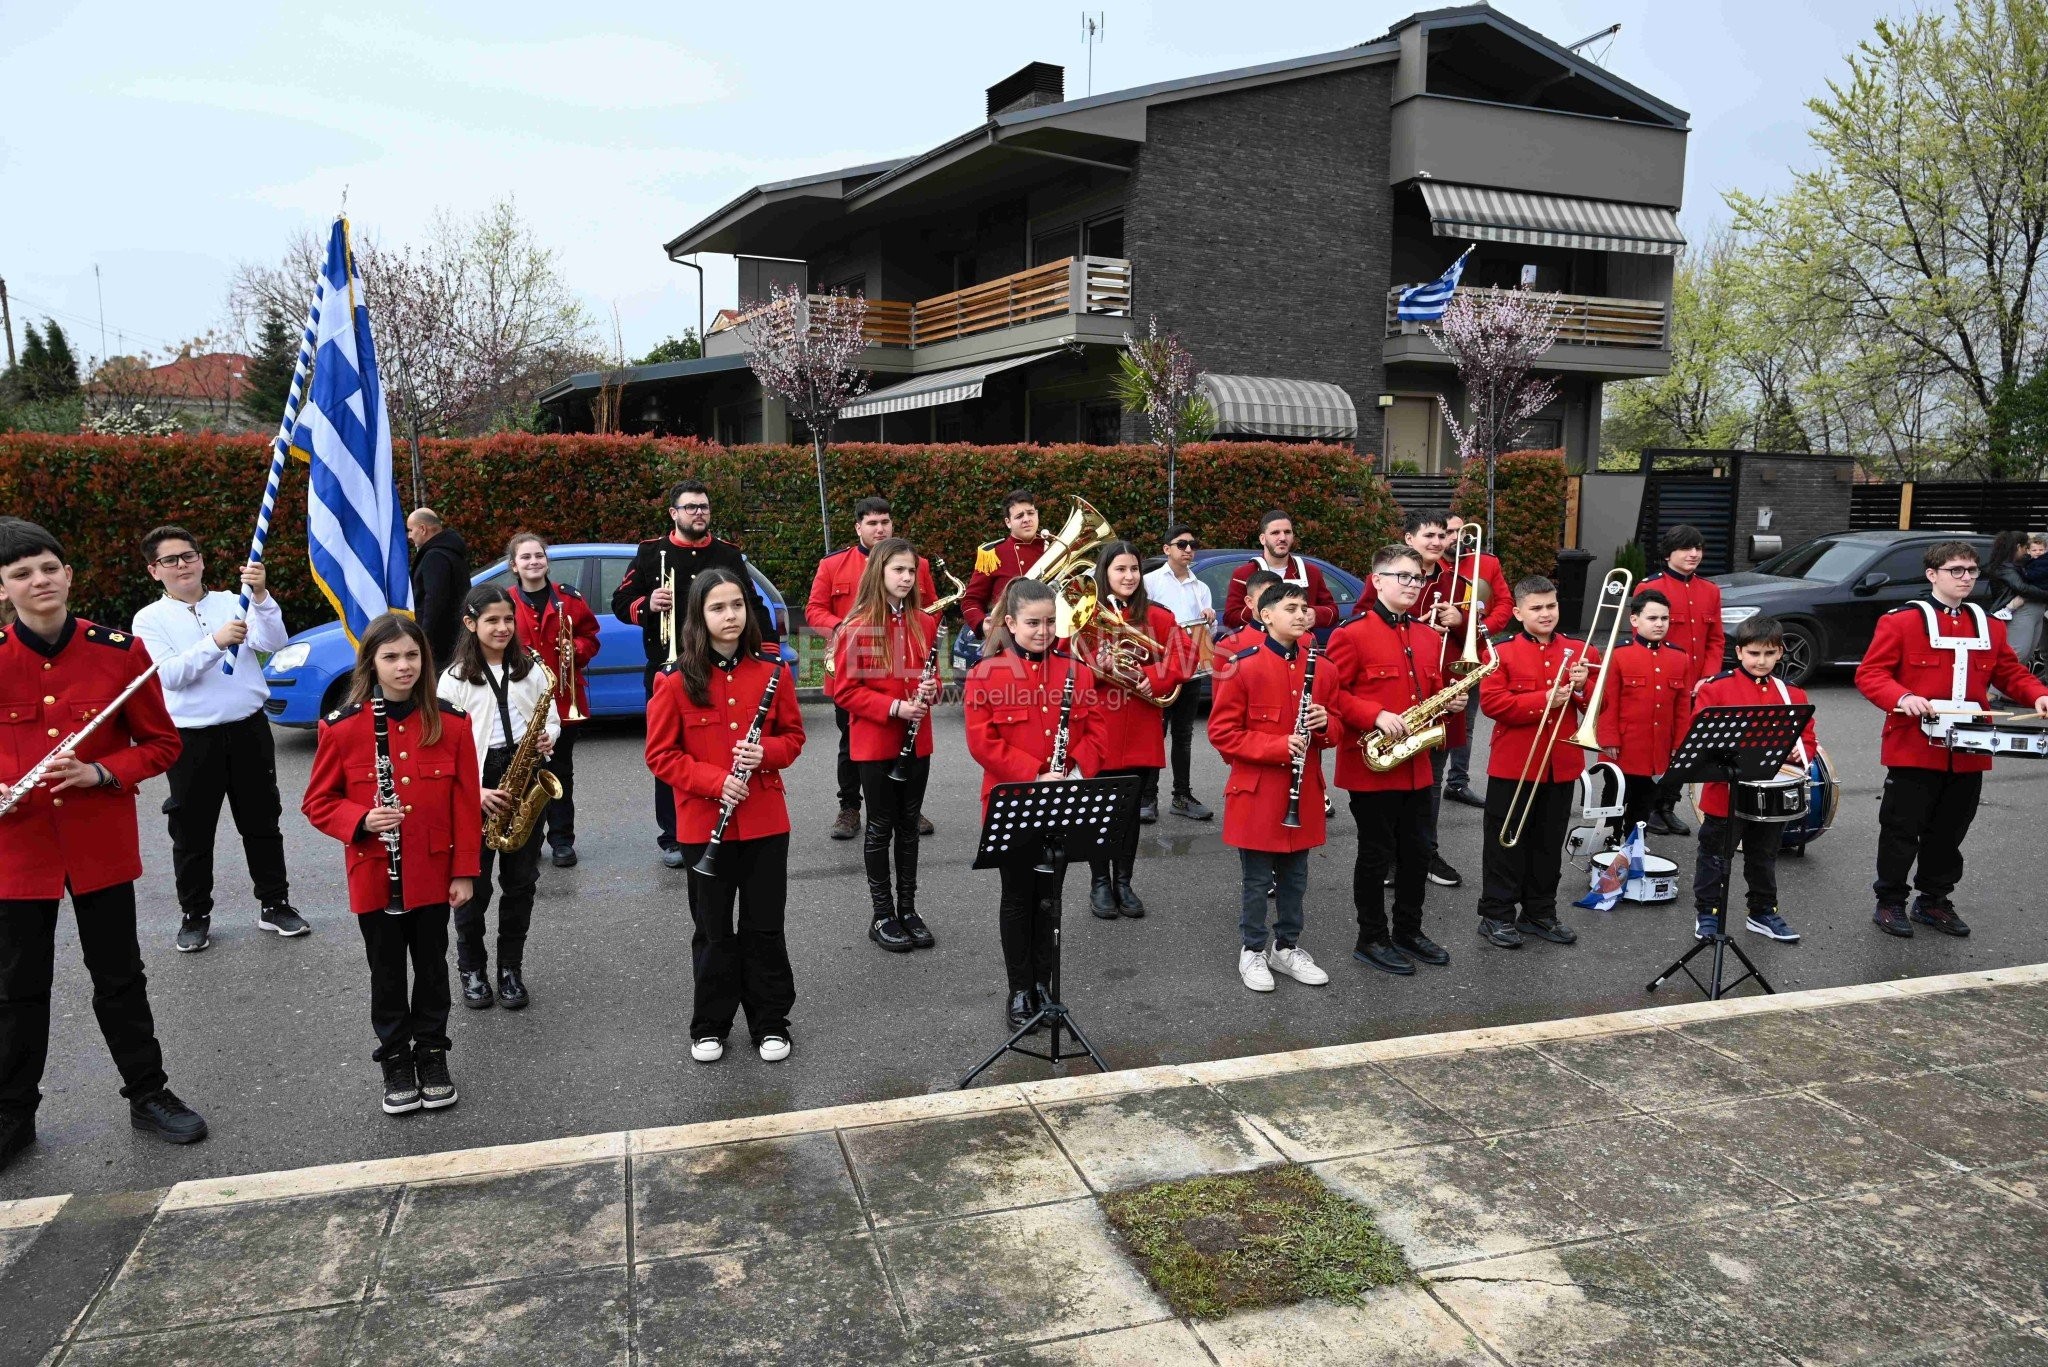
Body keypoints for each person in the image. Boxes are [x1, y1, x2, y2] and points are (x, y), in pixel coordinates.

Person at [0, 518, 207, 1171]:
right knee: (16, 987)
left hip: (97, 841)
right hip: (18, 848)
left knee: (119, 977)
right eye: (21, 572)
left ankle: (148, 1094)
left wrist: (101, 771)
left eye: (47, 567)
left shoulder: (118, 651)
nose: (38, 580)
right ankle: (13, 1112)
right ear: (4, 587)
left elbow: (164, 743)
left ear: (67, 573)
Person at [303, 613, 479, 1116]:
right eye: (391, 657)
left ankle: (432, 1053)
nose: (403, 666)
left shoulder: (452, 724)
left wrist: (465, 870)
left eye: (412, 655)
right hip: (375, 873)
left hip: (433, 871)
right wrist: (361, 818)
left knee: (431, 969)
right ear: (372, 663)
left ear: (425, 660)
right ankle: (395, 1059)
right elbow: (318, 803)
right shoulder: (343, 728)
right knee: (385, 973)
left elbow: (466, 806)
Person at [647, 568, 805, 1064]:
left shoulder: (772, 672)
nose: (730, 616)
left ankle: (771, 1020)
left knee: (765, 926)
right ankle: (710, 1023)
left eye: (736, 605)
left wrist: (767, 754)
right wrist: (717, 782)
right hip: (702, 826)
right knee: (714, 929)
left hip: (764, 822)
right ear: (699, 615)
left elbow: (794, 738)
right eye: (718, 607)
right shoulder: (674, 681)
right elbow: (661, 756)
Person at [1855, 540, 2048, 939]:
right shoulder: (1901, 621)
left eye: (1972, 571)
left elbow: (2010, 674)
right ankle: (1890, 901)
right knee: (1901, 829)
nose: (1965, 578)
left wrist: (2038, 694)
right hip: (1914, 746)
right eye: (1955, 570)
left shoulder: (1990, 624)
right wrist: (1904, 697)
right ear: (1933, 575)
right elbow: (1871, 675)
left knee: (1950, 831)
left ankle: (1933, 900)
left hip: (1969, 750)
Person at [130, 525, 305, 952]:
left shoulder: (234, 601)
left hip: (248, 729)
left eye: (188, 555)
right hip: (190, 739)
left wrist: (261, 599)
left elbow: (273, 642)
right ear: (155, 571)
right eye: (170, 560)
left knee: (262, 821)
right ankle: (195, 915)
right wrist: (215, 641)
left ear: (202, 560)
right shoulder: (149, 620)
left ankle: (274, 904)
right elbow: (170, 676)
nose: (182, 565)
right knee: (192, 833)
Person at [965, 578, 1104, 1031]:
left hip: (1064, 798)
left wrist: (1077, 770)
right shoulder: (986, 673)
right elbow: (982, 742)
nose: (1043, 631)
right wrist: (1033, 773)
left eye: (1050, 622)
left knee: (1051, 897)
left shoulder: (1077, 671)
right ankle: (1019, 988)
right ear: (1010, 623)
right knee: (1018, 897)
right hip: (1016, 801)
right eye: (1032, 623)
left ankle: (1044, 984)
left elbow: (1097, 732)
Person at [611, 480, 774, 866]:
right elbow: (620, 602)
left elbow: (752, 605)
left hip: (720, 667)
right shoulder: (651, 553)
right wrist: (646, 603)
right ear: (674, 513)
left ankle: (725, 821)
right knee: (670, 752)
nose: (698, 513)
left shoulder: (727, 554)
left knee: (722, 747)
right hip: (669, 670)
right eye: (690, 508)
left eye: (703, 507)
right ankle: (672, 835)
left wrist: (769, 655)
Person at [1324, 545, 1452, 977]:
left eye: (1418, 579)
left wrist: (1448, 705)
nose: (1412, 586)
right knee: (1376, 855)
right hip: (1372, 765)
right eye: (1403, 577)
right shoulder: (1350, 634)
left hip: (1417, 764)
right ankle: (1371, 937)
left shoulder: (1428, 635)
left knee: (1417, 853)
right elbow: (1331, 696)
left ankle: (1408, 932)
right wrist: (1373, 714)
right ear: (1376, 580)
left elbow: (1428, 692)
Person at [439, 587, 559, 1011]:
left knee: (521, 882)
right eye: (492, 620)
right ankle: (471, 968)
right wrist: (474, 791)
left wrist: (549, 737)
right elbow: (440, 749)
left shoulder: (533, 671)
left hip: (523, 776)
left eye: (508, 619)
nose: (503, 627)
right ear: (471, 624)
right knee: (472, 884)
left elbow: (554, 720)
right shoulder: (452, 680)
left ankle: (511, 968)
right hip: (477, 781)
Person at [1210, 580, 1333, 993]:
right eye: (1290, 608)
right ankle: (1252, 949)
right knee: (1258, 880)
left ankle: (1287, 947)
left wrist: (1326, 724)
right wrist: (1277, 745)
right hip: (1259, 792)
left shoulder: (1323, 667)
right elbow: (1222, 733)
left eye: (1304, 607)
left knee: (1296, 879)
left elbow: (1339, 729)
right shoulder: (1243, 665)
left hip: (1305, 793)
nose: (1301, 614)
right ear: (1266, 616)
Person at [832, 538, 941, 954]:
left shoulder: (925, 623)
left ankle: (909, 909)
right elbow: (845, 692)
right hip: (877, 742)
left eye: (911, 571)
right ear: (878, 571)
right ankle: (882, 914)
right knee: (880, 826)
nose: (906, 577)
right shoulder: (857, 626)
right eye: (898, 570)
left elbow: (936, 682)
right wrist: (895, 707)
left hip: (918, 742)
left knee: (909, 825)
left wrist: (930, 691)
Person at [807, 497, 938, 841]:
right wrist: (847, 631)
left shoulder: (917, 563)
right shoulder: (834, 564)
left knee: (903, 738)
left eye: (885, 522)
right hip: (854, 665)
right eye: (872, 523)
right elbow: (814, 610)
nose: (880, 528)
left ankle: (906, 801)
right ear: (858, 527)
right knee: (853, 741)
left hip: (903, 661)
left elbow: (930, 609)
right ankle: (850, 805)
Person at [1078, 540, 1192, 917]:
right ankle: (1099, 883)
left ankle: (1124, 882)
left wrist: (1151, 677)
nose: (1128, 576)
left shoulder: (1158, 616)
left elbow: (1187, 657)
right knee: (1098, 811)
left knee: (1128, 813)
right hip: (1098, 728)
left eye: (1134, 569)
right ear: (1104, 574)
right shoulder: (1085, 616)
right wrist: (1099, 664)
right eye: (1120, 569)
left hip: (1142, 727)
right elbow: (1065, 663)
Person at [1476, 576, 1590, 949]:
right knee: (1505, 844)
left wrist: (1585, 687)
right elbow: (1494, 705)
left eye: (1551, 606)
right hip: (1515, 763)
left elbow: (1597, 708)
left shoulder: (1579, 649)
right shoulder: (1500, 652)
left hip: (1561, 762)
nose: (1546, 613)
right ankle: (1496, 915)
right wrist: (1546, 699)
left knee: (1547, 842)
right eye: (1537, 608)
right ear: (1518, 612)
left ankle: (1540, 912)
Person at [1688, 616, 1814, 944]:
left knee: (1764, 854)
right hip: (1725, 792)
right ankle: (1708, 913)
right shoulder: (1717, 688)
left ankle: (1762, 912)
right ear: (1740, 652)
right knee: (1716, 853)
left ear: (1780, 653)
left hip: (1769, 792)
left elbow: (1807, 735)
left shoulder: (1792, 694)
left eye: (1769, 654)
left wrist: (1803, 752)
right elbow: (1700, 737)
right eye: (1754, 654)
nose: (1761, 661)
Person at [506, 533, 598, 868]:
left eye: (538, 556)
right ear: (514, 565)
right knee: (522, 774)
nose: (533, 562)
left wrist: (577, 649)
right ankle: (527, 838)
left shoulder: (568, 599)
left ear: (546, 560)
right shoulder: (504, 602)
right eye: (525, 557)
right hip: (519, 704)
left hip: (562, 701)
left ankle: (561, 840)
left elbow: (591, 638)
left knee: (559, 773)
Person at [1640, 526, 1721, 841]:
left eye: (1698, 548)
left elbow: (1714, 640)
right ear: (1668, 553)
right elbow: (1644, 638)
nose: (1694, 554)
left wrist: (1708, 677)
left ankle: (1667, 806)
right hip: (1661, 686)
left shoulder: (1710, 591)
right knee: (1654, 748)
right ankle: (1646, 808)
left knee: (1686, 750)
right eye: (1687, 548)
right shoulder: (1650, 587)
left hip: (1698, 687)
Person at [1595, 590, 1693, 838]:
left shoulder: (1679, 657)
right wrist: (1608, 738)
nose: (1660, 624)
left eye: (1664, 618)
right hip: (1624, 745)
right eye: (1652, 618)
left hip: (1656, 747)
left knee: (1644, 803)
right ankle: (1608, 846)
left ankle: (1634, 847)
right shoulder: (1618, 654)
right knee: (1614, 800)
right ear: (1635, 619)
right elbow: (1608, 701)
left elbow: (1682, 706)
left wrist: (1679, 743)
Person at [1142, 524, 1216, 821]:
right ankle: (1147, 798)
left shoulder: (1202, 588)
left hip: (1191, 670)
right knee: (1154, 734)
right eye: (1181, 544)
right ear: (1166, 549)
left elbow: (1206, 635)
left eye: (1192, 544)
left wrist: (1210, 621)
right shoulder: (1149, 581)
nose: (1188, 549)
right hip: (1161, 668)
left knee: (1184, 735)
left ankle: (1181, 796)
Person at [1439, 512, 1512, 810]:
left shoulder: (1488, 563)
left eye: (1460, 531)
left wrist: (1482, 629)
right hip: (1439, 651)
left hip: (1474, 651)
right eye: (1448, 533)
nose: (1456, 537)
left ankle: (1457, 782)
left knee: (1466, 722)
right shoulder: (1430, 565)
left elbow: (1506, 603)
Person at [1222, 510, 1338, 631]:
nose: (1282, 538)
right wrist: (1260, 609)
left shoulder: (1311, 572)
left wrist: (1315, 613)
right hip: (1258, 645)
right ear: (1262, 538)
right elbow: (1230, 618)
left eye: (1287, 532)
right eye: (1275, 533)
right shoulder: (1243, 574)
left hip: (1300, 646)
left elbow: (1333, 611)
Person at [960, 489, 1048, 638]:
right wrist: (982, 625)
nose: (1026, 519)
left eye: (1030, 513)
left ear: (1037, 514)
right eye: (1019, 516)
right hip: (1009, 639)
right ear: (1008, 522)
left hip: (1052, 637)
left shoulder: (1054, 548)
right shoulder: (993, 555)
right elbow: (971, 600)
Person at [406, 508, 471, 673]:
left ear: (422, 529)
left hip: (438, 646)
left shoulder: (434, 557)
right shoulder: (452, 552)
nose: (409, 536)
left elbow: (434, 601)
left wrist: (423, 638)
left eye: (411, 530)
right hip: (455, 639)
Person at [1987, 530, 2048, 685]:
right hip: (2021, 612)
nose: (2029, 551)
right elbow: (2023, 588)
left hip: (2034, 610)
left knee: (2026, 653)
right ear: (2018, 547)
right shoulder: (2006, 567)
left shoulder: (2023, 564)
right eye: (2026, 547)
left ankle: (2009, 691)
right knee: (2017, 653)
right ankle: (1995, 693)